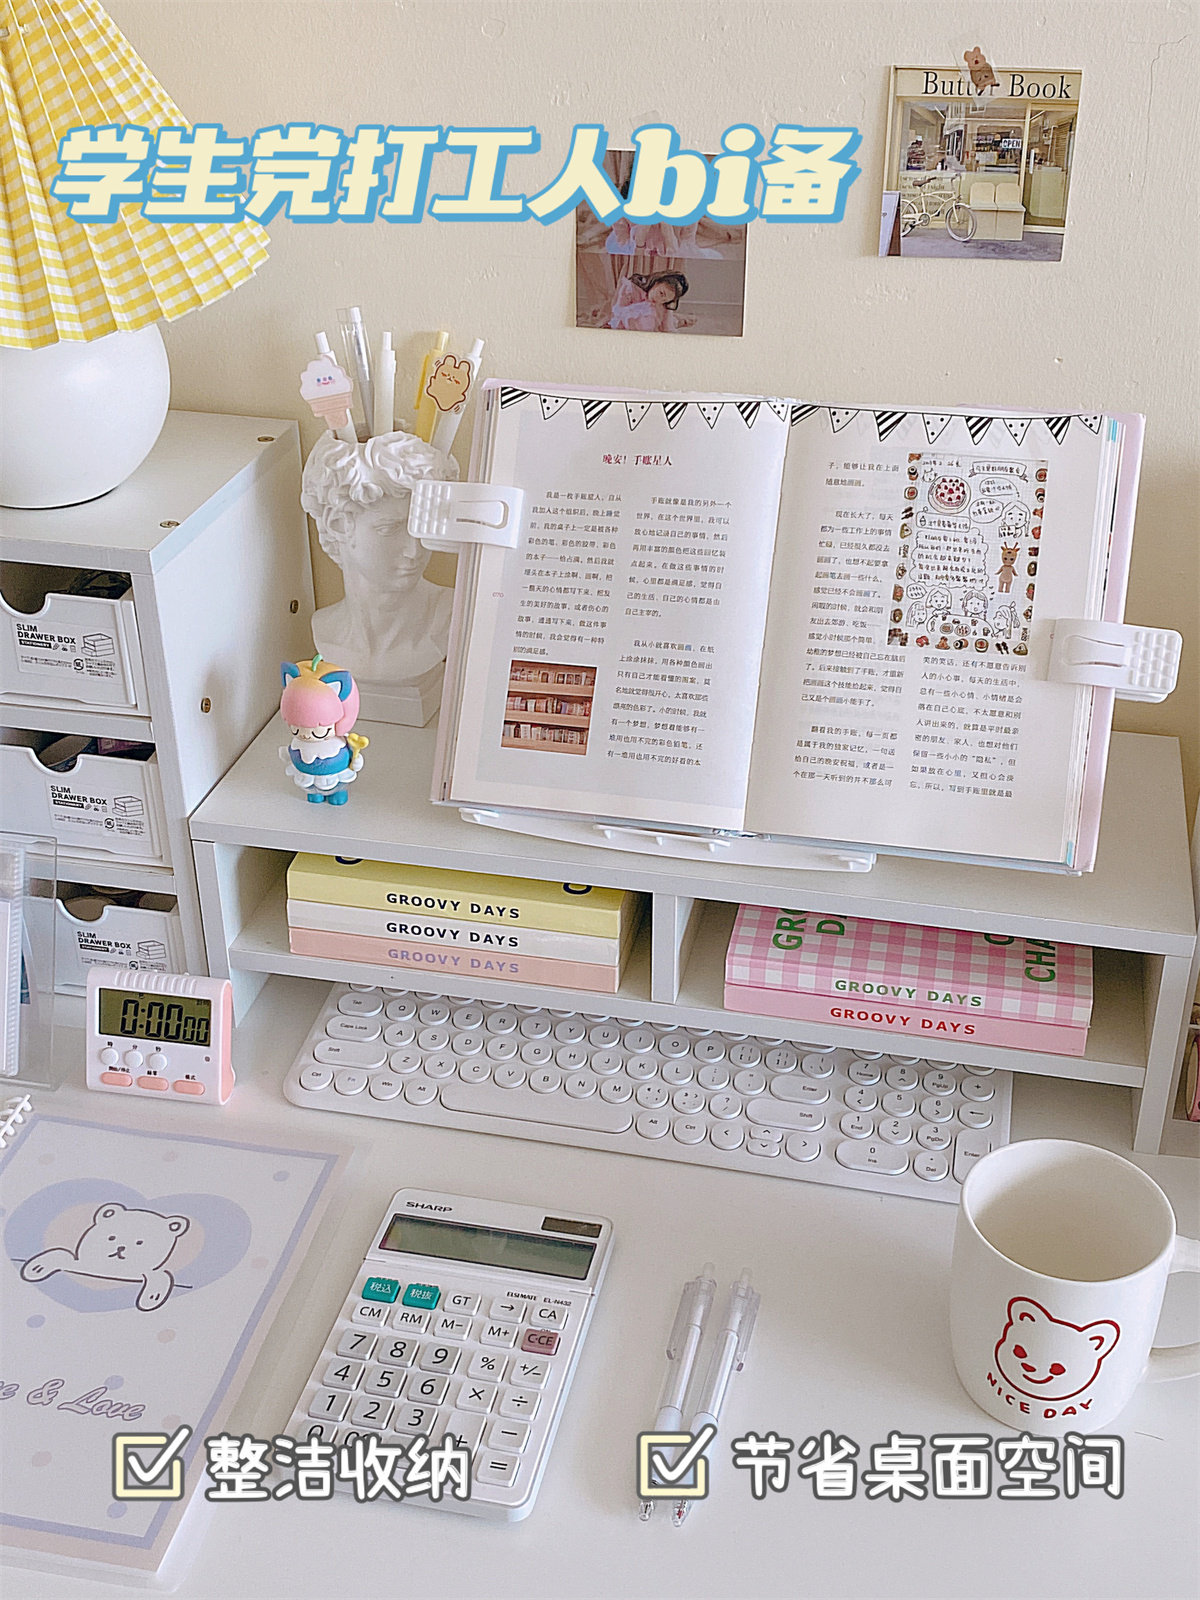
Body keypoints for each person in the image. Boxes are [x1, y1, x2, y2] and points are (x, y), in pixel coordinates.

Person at [300, 429, 454, 687]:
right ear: (339, 524)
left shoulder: (451, 617)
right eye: (390, 529)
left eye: (422, 528)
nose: (414, 550)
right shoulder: (325, 629)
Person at [608, 271, 692, 332]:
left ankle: (680, 321)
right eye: (661, 293)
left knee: (670, 321)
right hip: (626, 326)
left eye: (664, 300)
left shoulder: (662, 305)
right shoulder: (631, 288)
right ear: (656, 282)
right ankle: (679, 320)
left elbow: (667, 327)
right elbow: (618, 310)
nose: (659, 299)